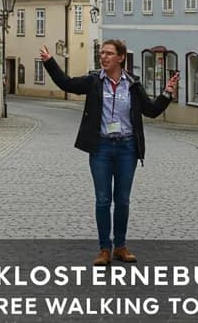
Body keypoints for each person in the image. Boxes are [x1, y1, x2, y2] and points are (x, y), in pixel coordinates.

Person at [40, 41, 178, 266]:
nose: (103, 57)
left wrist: (167, 94)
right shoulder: (94, 81)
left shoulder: (132, 85)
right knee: (103, 200)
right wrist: (49, 63)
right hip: (101, 147)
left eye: (109, 54)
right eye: (102, 53)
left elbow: (151, 111)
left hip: (127, 148)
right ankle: (105, 248)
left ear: (121, 57)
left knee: (122, 200)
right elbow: (66, 83)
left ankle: (121, 247)